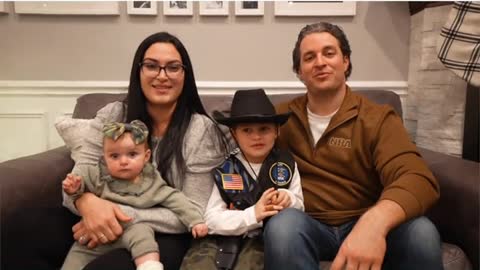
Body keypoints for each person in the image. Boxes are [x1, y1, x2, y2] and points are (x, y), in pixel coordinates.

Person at [264, 22, 443, 270]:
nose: (320, 62)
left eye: (329, 53)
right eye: (309, 57)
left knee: (421, 232)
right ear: (299, 71)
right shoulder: (278, 118)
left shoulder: (378, 117)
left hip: (365, 216)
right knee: (282, 227)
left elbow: (418, 178)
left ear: (345, 62)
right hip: (305, 223)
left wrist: (374, 222)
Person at [62, 32, 226, 270]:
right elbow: (75, 183)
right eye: (151, 66)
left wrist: (111, 214)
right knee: (23, 227)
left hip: (164, 234)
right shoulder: (112, 116)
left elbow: (194, 210)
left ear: (185, 75)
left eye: (173, 67)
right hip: (94, 215)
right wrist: (86, 203)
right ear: (138, 71)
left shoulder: (201, 130)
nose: (162, 76)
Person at [180, 89, 304, 270]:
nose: (256, 137)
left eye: (264, 129)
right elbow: (212, 220)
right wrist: (253, 214)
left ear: (277, 131)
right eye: (247, 130)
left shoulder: (286, 164)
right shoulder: (227, 170)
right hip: (226, 239)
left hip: (267, 241)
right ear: (234, 134)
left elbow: (300, 207)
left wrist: (288, 198)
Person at [61, 120, 208, 270]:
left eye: (132, 154)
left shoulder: (151, 183)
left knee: (142, 233)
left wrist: (195, 221)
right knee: (77, 251)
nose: (123, 161)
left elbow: (175, 199)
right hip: (96, 235)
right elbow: (79, 189)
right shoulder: (97, 176)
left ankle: (149, 265)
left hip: (131, 232)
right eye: (114, 156)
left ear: (146, 156)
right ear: (104, 158)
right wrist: (74, 189)